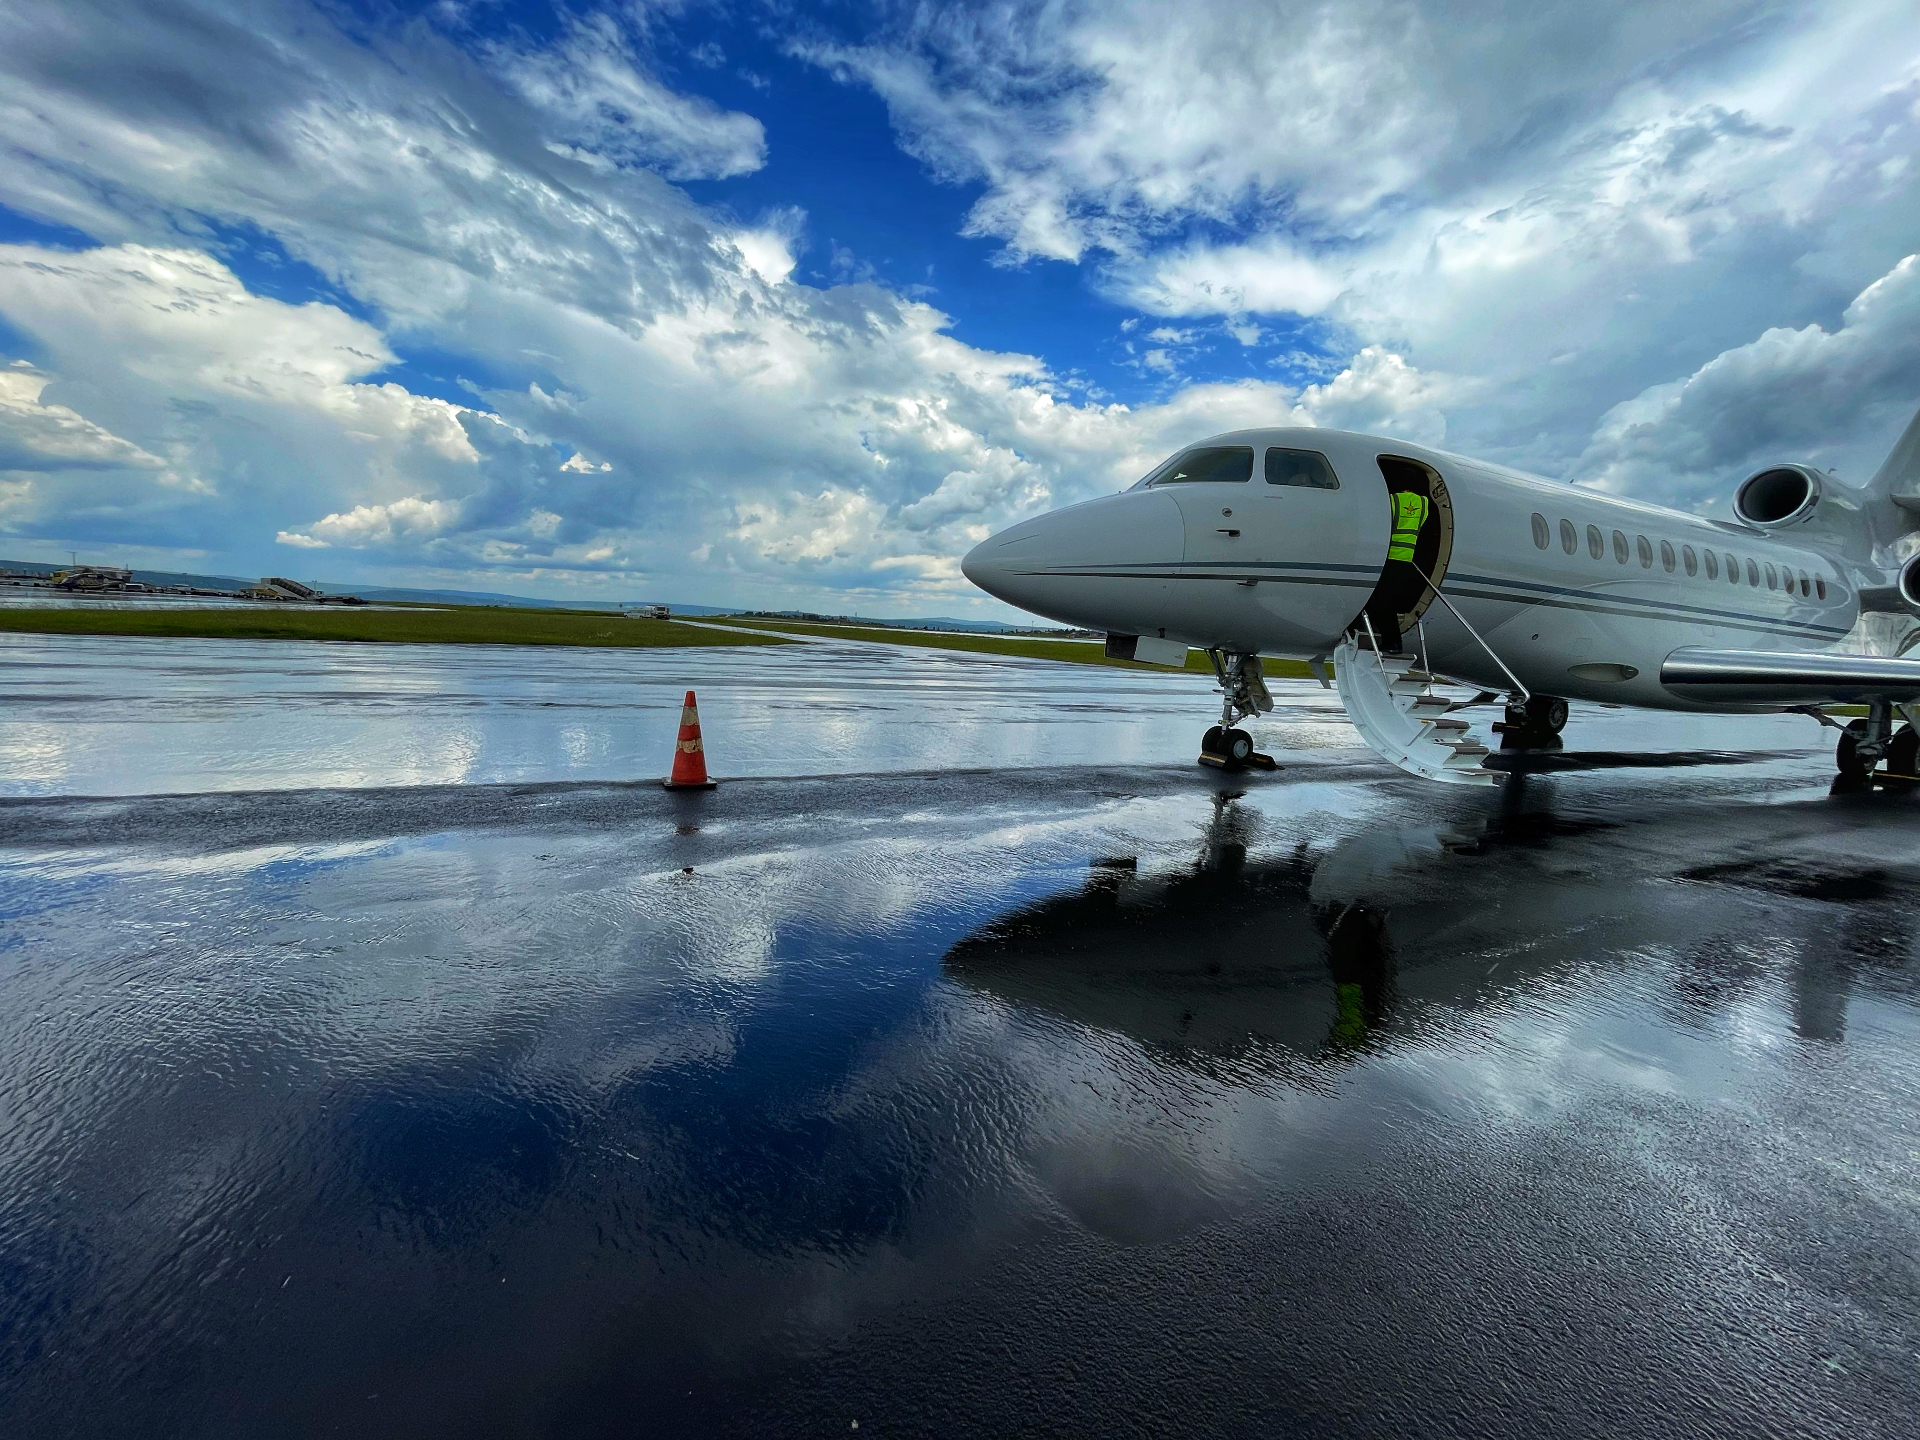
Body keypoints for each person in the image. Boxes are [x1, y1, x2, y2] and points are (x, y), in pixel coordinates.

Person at [1364, 475, 1431, 653]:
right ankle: (1394, 642)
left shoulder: (1392, 500)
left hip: (1389, 557)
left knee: (1379, 603)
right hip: (1407, 559)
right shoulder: (1424, 503)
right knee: (1389, 602)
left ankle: (1391, 643)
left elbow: (1386, 524)